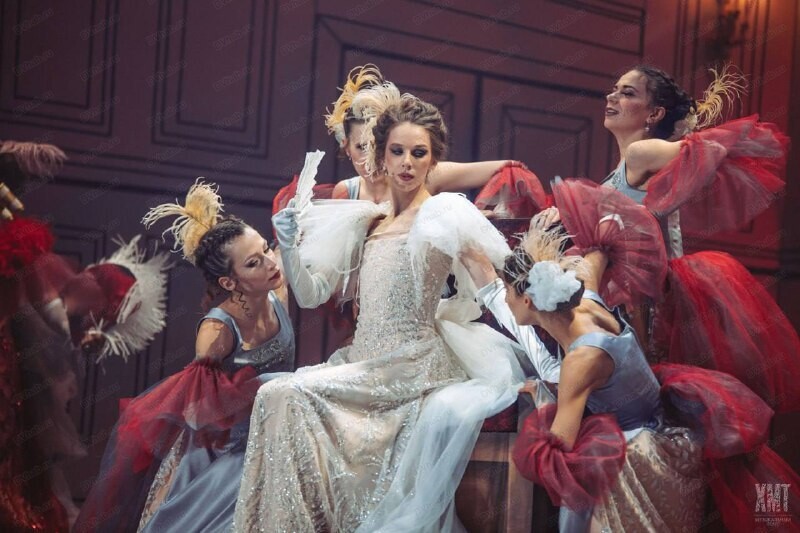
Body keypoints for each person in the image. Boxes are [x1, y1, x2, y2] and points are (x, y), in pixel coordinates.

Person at [233, 83, 524, 532]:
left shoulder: (444, 213)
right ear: (382, 157)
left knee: (282, 393)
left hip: (411, 363)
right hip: (364, 360)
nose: (407, 163)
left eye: (419, 153)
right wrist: (288, 247)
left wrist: (540, 353)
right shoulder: (365, 220)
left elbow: (492, 286)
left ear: (433, 160)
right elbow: (311, 295)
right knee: (273, 396)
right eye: (397, 152)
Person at [466, 179, 800, 532]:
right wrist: (581, 220)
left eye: (508, 294)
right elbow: (605, 240)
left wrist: (541, 398)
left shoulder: (582, 361)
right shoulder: (587, 297)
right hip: (671, 437)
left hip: (637, 460)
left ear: (528, 300)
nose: (505, 300)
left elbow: (559, 450)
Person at [74, 180, 295, 532]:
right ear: (229, 283)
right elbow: (201, 412)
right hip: (229, 451)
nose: (270, 262)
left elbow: (292, 235)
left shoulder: (277, 285)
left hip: (283, 430)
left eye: (265, 249)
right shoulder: (217, 331)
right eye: (254, 262)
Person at [598, 64, 800, 413]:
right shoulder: (618, 170)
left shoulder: (640, 154)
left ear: (655, 114)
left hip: (646, 299)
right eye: (614, 89)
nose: (612, 97)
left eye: (627, 93)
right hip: (625, 295)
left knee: (647, 403)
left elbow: (712, 150)